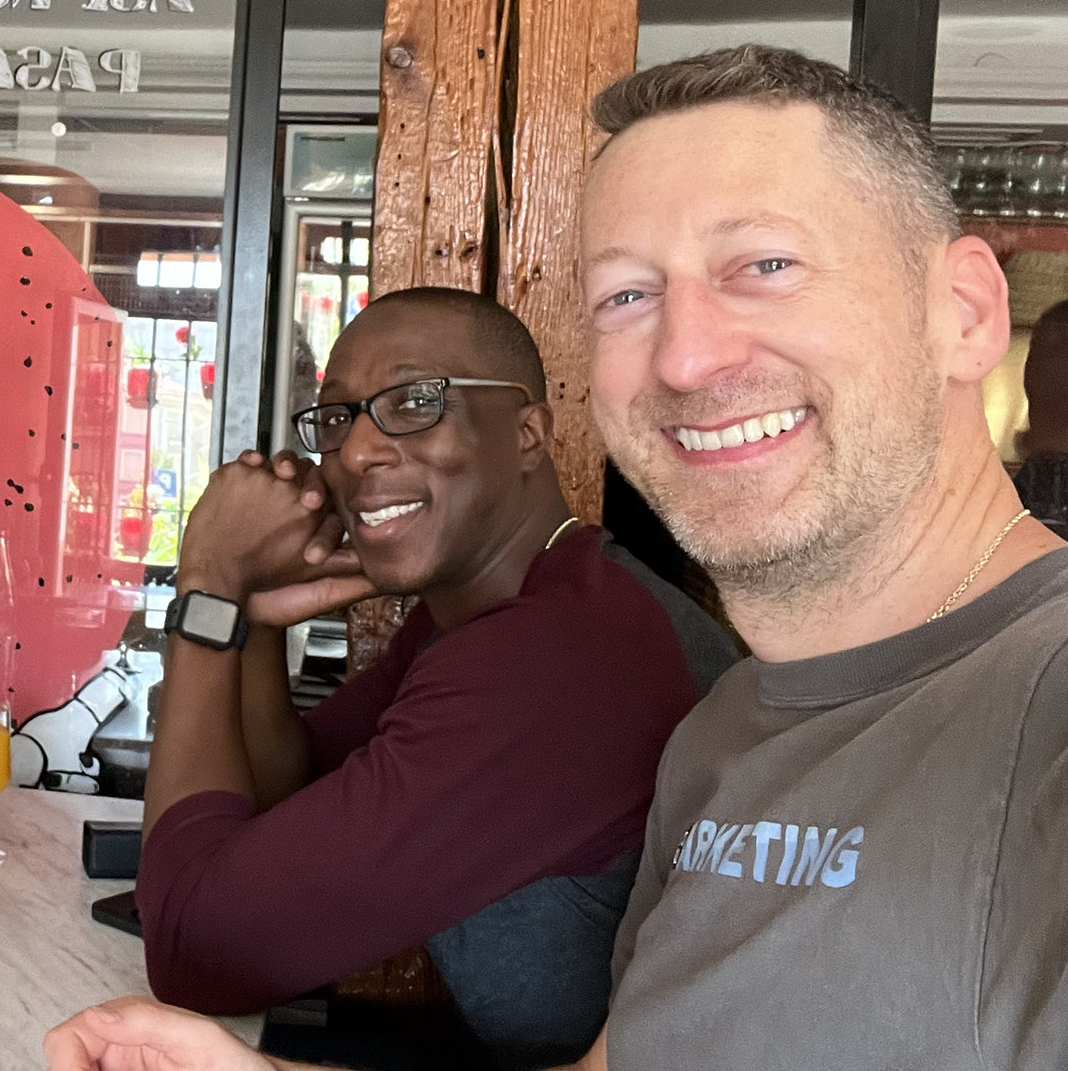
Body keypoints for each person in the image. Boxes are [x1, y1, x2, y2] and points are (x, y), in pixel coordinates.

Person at [52, 46, 1068, 1070]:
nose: (689, 356)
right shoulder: (732, 733)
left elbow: (209, 939)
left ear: (965, 312)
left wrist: (204, 595)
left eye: (765, 265)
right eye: (629, 295)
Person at [133, 287, 736, 1068]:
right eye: (339, 417)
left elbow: (194, 951)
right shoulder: (503, 609)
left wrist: (206, 589)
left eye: (416, 401)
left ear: (527, 433)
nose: (355, 453)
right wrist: (248, 619)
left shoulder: (559, 658)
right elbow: (290, 794)